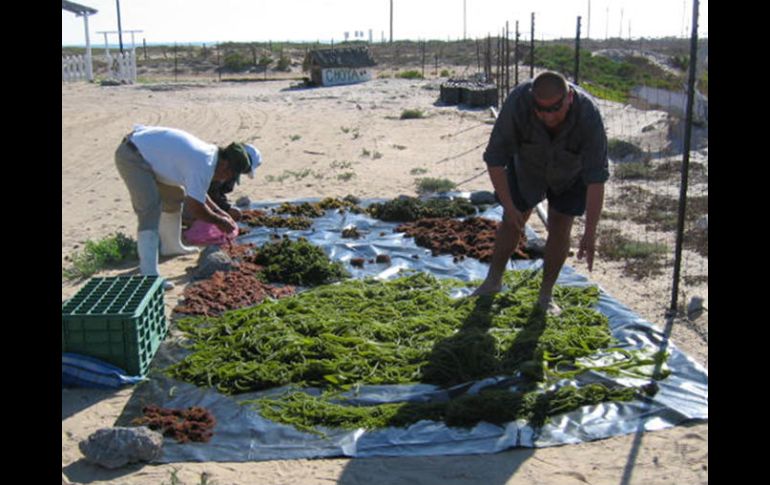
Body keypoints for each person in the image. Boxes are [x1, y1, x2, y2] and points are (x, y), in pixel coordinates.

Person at [472, 71, 609, 315]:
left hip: (570, 173)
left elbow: (596, 179)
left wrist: (590, 232)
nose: (548, 116)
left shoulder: (588, 115)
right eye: (540, 109)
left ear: (568, 97)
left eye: (555, 108)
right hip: (528, 167)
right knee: (511, 222)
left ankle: (545, 295)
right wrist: (509, 206)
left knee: (560, 225)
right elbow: (494, 159)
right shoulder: (518, 102)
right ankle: (492, 281)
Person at [114, 124, 260, 288]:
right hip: (133, 155)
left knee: (174, 197)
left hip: (148, 152)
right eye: (229, 175)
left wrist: (219, 211)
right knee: (149, 209)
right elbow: (195, 207)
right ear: (225, 165)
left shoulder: (212, 157)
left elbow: (199, 193)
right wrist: (219, 221)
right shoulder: (203, 164)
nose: (225, 179)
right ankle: (149, 277)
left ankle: (171, 246)